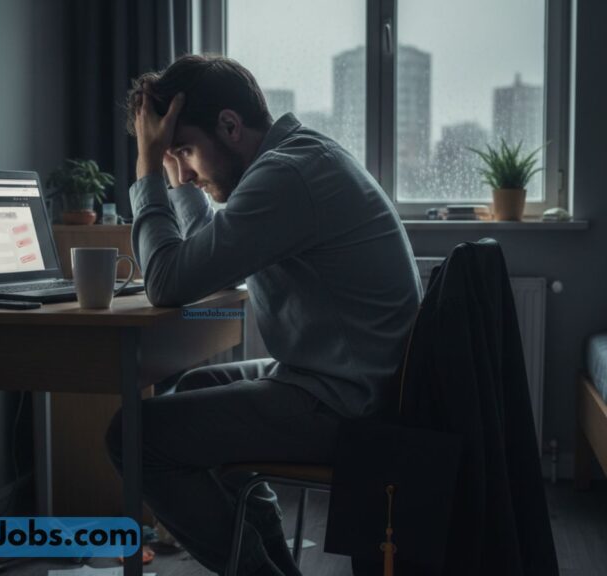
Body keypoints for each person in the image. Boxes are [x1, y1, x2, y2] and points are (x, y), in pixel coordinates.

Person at [105, 54, 422, 576]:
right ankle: (273, 568)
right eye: (171, 153)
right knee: (188, 392)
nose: (181, 166)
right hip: (342, 380)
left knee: (131, 436)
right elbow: (216, 262)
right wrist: (181, 176)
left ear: (230, 126)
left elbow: (166, 283)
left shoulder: (288, 176)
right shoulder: (295, 160)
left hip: (350, 405)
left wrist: (147, 171)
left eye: (184, 149)